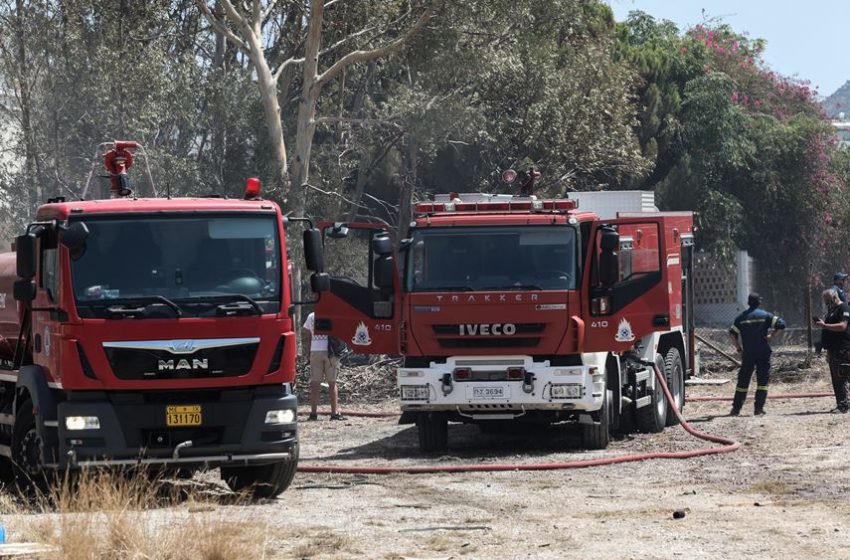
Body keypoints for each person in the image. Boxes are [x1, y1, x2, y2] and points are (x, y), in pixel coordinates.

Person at [728, 293, 786, 416]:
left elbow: (732, 334)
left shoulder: (741, 318)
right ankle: (758, 409)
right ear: (759, 302)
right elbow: (782, 324)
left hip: (748, 354)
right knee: (762, 382)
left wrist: (739, 349)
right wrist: (772, 335)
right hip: (763, 352)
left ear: (748, 303)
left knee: (743, 381)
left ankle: (736, 409)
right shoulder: (765, 315)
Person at [302, 311, 344, 421]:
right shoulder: (332, 314)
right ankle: (334, 413)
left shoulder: (311, 316)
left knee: (315, 384)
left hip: (315, 351)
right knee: (332, 383)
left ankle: (313, 413)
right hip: (331, 352)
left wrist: (308, 352)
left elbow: (306, 334)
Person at [815, 288, 850, 413]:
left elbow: (842, 326)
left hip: (843, 349)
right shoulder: (831, 311)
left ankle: (844, 405)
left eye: (827, 299)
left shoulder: (843, 308)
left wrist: (824, 325)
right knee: (836, 379)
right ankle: (840, 404)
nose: (826, 302)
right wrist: (828, 351)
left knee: (842, 377)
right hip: (833, 350)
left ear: (834, 297)